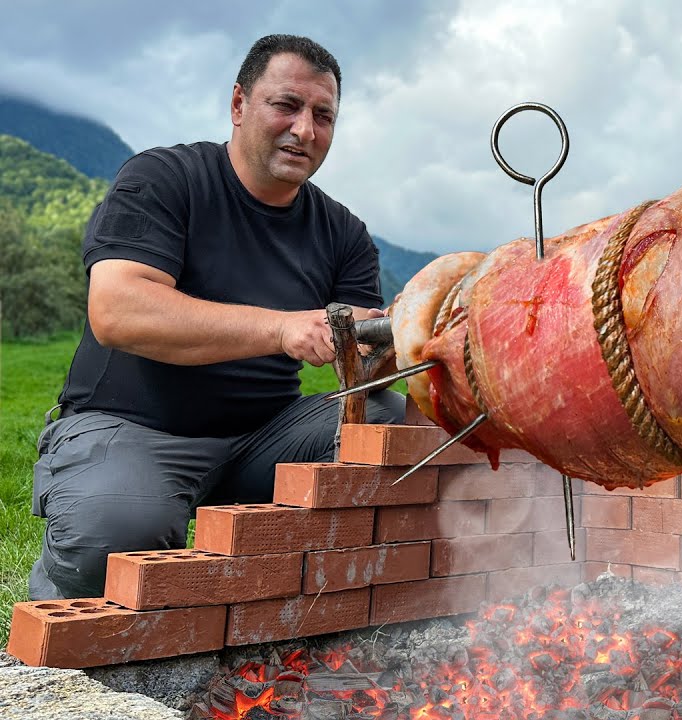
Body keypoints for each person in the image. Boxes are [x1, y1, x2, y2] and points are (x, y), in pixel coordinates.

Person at [28, 34, 404, 600]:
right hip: (134, 429)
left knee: (393, 426)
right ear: (238, 105)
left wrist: (392, 344)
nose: (305, 129)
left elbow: (363, 379)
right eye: (287, 105)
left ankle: (303, 616)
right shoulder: (163, 179)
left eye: (323, 115)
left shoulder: (344, 233)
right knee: (116, 534)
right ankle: (56, 643)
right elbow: (118, 310)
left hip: (263, 437)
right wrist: (281, 328)